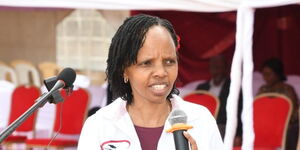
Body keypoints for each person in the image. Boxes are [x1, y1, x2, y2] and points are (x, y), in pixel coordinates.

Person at [78, 14, 224, 150]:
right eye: (147, 63)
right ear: (125, 70)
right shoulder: (99, 125)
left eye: (169, 61)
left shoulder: (201, 120)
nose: (161, 72)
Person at [195, 55, 243, 146]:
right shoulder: (201, 88)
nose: (217, 71)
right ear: (210, 69)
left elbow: (239, 113)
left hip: (223, 127)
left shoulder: (233, 88)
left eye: (219, 67)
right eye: (214, 67)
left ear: (225, 69)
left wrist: (239, 135)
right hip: (201, 125)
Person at [257, 58, 299, 150]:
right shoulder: (262, 89)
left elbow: (293, 113)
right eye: (264, 74)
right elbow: (257, 110)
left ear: (278, 74)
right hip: (264, 125)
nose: (265, 77)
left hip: (284, 125)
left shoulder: (288, 90)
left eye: (269, 74)